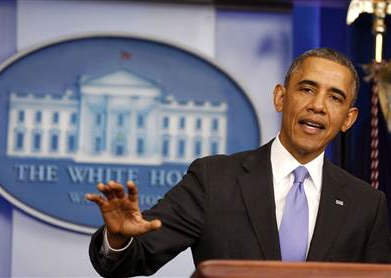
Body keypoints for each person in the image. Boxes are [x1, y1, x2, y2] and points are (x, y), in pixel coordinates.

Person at [86, 48, 391, 277]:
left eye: (335, 98)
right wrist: (118, 238)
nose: (318, 106)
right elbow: (134, 258)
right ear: (280, 98)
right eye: (307, 89)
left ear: (348, 119)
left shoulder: (367, 204)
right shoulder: (213, 179)